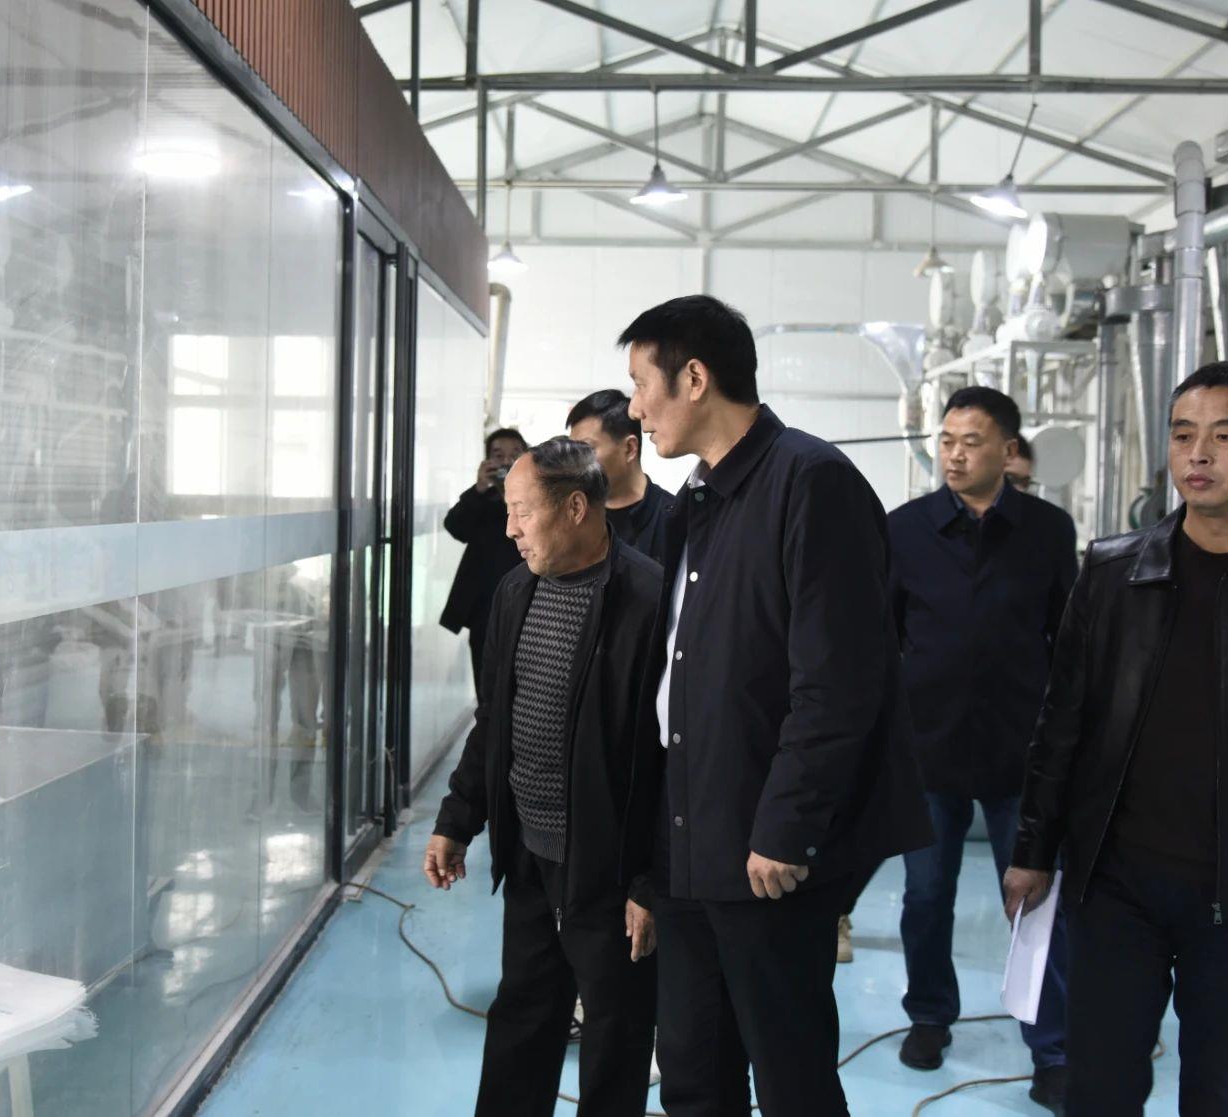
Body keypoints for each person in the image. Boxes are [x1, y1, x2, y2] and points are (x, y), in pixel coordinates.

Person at [620, 295, 932, 1116]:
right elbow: (677, 678)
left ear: (694, 378)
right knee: (693, 1070)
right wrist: (652, 863)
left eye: (641, 383)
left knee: (790, 1074)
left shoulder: (810, 481)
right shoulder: (696, 501)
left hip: (766, 848)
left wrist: (787, 825)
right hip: (689, 838)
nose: (635, 408)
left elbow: (839, 680)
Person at [1005, 362, 1228, 1116]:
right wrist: (1032, 849)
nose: (1199, 454)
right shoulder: (1114, 571)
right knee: (1099, 1088)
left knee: (1226, 1093)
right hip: (1116, 886)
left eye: (1226, 436)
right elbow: (1062, 724)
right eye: (1183, 435)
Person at [426, 437, 663, 1117]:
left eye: (523, 513)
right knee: (523, 1017)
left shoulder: (647, 599)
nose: (511, 529)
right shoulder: (515, 590)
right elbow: (495, 719)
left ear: (576, 508)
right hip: (530, 854)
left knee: (615, 1037)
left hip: (610, 870)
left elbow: (670, 759)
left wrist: (651, 881)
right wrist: (457, 819)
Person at [886, 387, 1075, 1110]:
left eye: (972, 441)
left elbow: (1068, 640)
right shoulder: (906, 529)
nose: (955, 454)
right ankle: (930, 1015)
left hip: (1019, 750)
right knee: (926, 894)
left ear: (1008, 451)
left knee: (1032, 901)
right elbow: (883, 636)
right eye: (947, 440)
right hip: (928, 746)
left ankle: (1051, 1047)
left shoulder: (1047, 531)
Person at [440, 428, 529, 688]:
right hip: (485, 608)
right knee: (486, 682)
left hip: (526, 603)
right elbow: (455, 527)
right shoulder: (481, 500)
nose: (507, 461)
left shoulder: (537, 500)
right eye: (498, 455)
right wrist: (480, 487)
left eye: (515, 454)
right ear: (487, 461)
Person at [567, 389, 674, 562]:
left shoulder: (673, 518)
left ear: (630, 448)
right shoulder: (575, 515)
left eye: (586, 449)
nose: (576, 461)